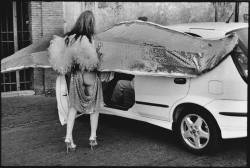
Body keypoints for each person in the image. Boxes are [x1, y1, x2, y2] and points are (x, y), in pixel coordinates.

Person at [62, 10, 102, 152]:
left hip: (75, 76)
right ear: (91, 23)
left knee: (73, 107)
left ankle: (68, 137)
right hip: (90, 75)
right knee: (94, 107)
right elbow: (95, 61)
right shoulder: (91, 39)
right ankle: (92, 137)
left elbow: (65, 60)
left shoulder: (70, 38)